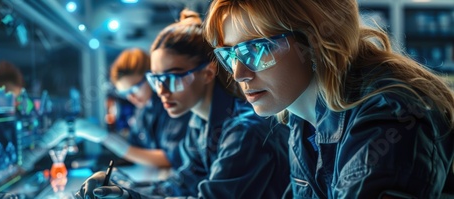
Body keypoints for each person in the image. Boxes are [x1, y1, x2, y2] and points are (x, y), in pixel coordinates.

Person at [202, 0, 454, 198]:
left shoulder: (389, 115)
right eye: (230, 55)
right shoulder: (302, 120)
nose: (239, 73)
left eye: (257, 49)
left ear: (314, 40)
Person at [76, 9, 291, 199]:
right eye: (157, 79)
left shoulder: (244, 131)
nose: (162, 91)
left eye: (172, 78)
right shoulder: (199, 125)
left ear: (207, 73)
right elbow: (179, 185)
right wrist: (121, 190)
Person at [105, 48, 191, 169]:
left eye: (134, 89)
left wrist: (106, 138)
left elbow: (170, 158)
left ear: (150, 77)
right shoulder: (141, 110)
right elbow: (135, 145)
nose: (131, 97)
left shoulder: (171, 105)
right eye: (126, 93)